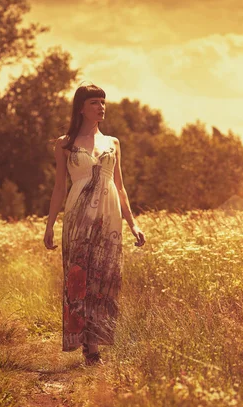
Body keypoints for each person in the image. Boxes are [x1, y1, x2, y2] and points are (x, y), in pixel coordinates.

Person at [44, 84, 145, 366]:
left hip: (109, 215)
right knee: (80, 277)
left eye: (102, 102)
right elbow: (58, 188)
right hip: (77, 216)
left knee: (105, 277)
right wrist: (50, 225)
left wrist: (133, 224)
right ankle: (89, 347)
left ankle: (96, 340)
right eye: (93, 102)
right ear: (81, 108)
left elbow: (120, 187)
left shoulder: (113, 142)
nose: (101, 106)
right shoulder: (65, 143)